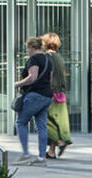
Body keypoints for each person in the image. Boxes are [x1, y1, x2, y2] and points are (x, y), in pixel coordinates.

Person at [14, 36, 53, 165]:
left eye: (27, 48)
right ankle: (41, 157)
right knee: (41, 126)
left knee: (21, 122)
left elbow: (32, 77)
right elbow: (50, 80)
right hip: (47, 96)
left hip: (35, 95)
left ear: (31, 47)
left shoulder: (34, 59)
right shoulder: (48, 60)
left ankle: (25, 154)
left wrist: (17, 84)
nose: (27, 51)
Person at [42, 32, 72, 159]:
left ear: (45, 43)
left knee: (46, 120)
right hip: (60, 93)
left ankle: (60, 141)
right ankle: (51, 151)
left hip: (50, 92)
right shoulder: (59, 57)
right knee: (56, 121)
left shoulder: (46, 57)